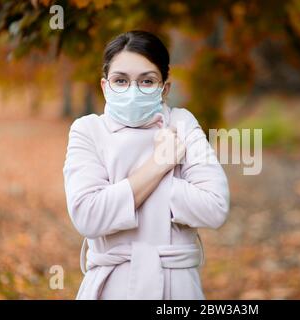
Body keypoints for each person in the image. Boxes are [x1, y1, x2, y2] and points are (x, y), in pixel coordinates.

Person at [62, 30, 230, 300]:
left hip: (177, 288)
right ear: (105, 86)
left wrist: (125, 193)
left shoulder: (182, 123)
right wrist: (159, 164)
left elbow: (215, 206)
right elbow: (87, 215)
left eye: (147, 81)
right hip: (110, 287)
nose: (132, 91)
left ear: (165, 88)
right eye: (121, 80)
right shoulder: (88, 130)